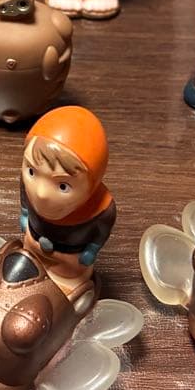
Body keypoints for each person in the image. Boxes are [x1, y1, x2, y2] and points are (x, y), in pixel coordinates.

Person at [19, 107, 115, 307]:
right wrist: (25, 213)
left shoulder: (101, 209)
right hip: (32, 240)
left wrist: (92, 249)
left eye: (62, 186)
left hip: (69, 257)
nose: (41, 193)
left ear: (92, 186)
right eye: (32, 172)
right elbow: (24, 196)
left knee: (65, 283)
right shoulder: (25, 184)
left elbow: (101, 231)